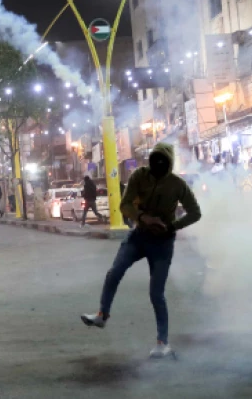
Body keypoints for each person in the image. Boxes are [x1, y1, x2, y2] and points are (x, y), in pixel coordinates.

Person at [80, 143, 202, 359]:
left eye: (163, 161)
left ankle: (162, 343)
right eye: (155, 159)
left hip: (163, 242)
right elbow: (125, 204)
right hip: (139, 236)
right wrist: (144, 218)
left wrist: (171, 227)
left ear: (169, 163)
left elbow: (195, 212)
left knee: (156, 293)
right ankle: (102, 315)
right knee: (114, 272)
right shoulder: (139, 176)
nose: (158, 164)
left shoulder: (177, 185)